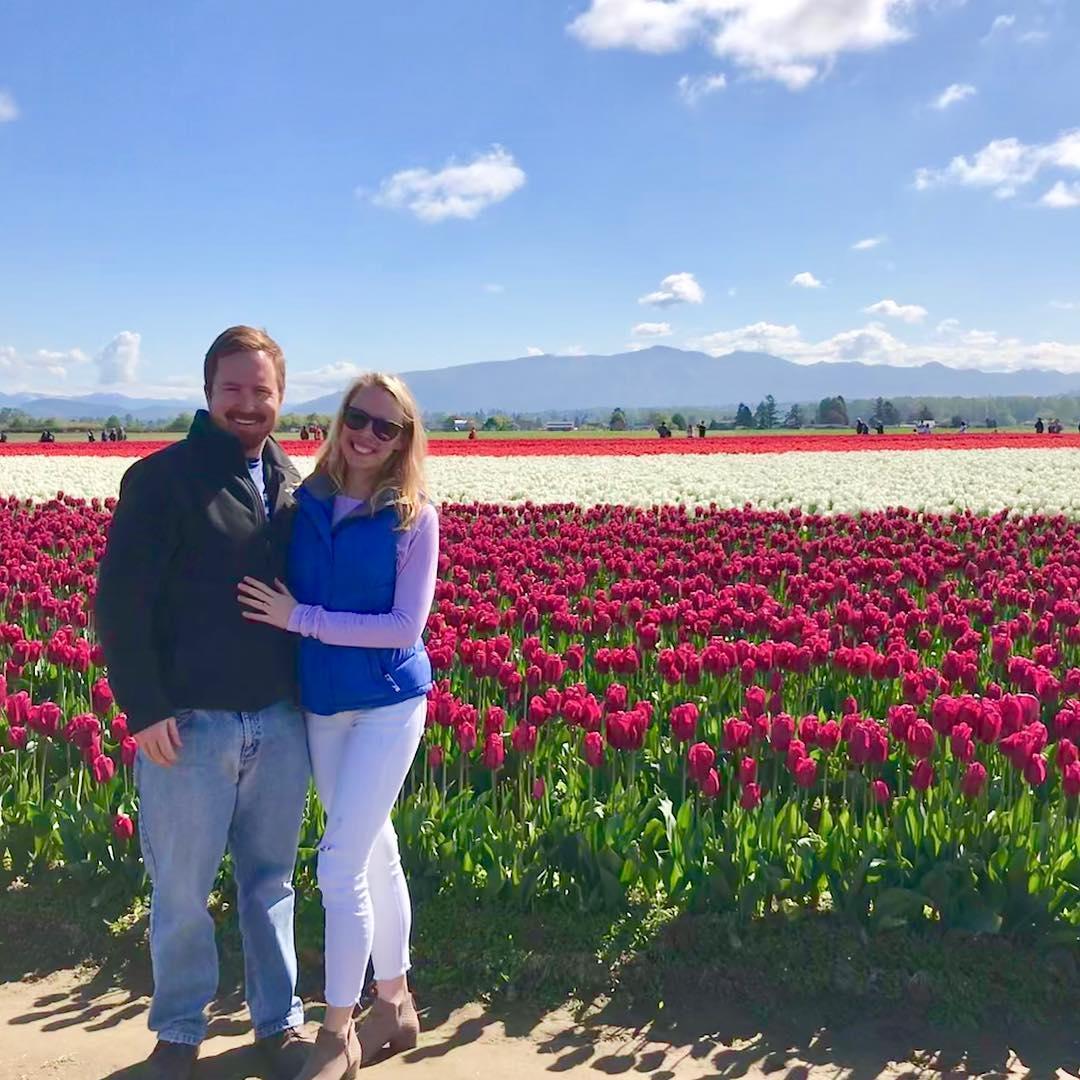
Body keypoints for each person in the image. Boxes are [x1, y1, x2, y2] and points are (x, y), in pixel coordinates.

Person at [96, 327, 310, 1080]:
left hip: (281, 723)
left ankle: (277, 1025)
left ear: (280, 397)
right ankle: (179, 1032)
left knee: (270, 880)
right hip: (190, 724)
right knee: (183, 889)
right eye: (233, 390)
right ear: (208, 392)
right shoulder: (162, 481)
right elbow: (120, 604)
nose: (248, 404)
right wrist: (144, 706)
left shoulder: (291, 483)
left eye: (262, 391)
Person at [239, 373, 436, 1080]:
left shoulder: (414, 517)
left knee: (338, 862)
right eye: (359, 418)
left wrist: (303, 622)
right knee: (373, 847)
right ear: (340, 420)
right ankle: (396, 1002)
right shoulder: (306, 500)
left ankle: (337, 1030)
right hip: (321, 703)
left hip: (387, 704)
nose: (368, 435)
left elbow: (404, 626)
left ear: (404, 439)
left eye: (387, 427)